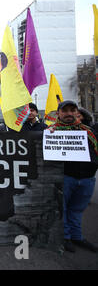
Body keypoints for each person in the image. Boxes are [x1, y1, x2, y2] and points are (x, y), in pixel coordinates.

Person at [49, 100, 98, 253]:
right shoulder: (52, 131)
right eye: (65, 111)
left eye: (72, 110)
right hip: (66, 178)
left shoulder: (89, 132)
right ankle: (66, 237)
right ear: (58, 113)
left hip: (87, 179)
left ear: (77, 113)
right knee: (63, 209)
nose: (69, 114)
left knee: (77, 210)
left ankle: (77, 236)